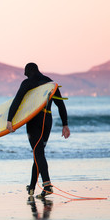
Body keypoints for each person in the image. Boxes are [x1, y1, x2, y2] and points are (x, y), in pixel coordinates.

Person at [6, 63, 70, 198]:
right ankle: (32, 187)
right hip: (47, 120)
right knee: (38, 152)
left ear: (27, 72)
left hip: (34, 121)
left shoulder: (28, 82)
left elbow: (17, 101)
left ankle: (47, 185)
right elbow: (60, 104)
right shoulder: (50, 83)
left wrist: (9, 120)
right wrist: (65, 124)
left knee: (38, 152)